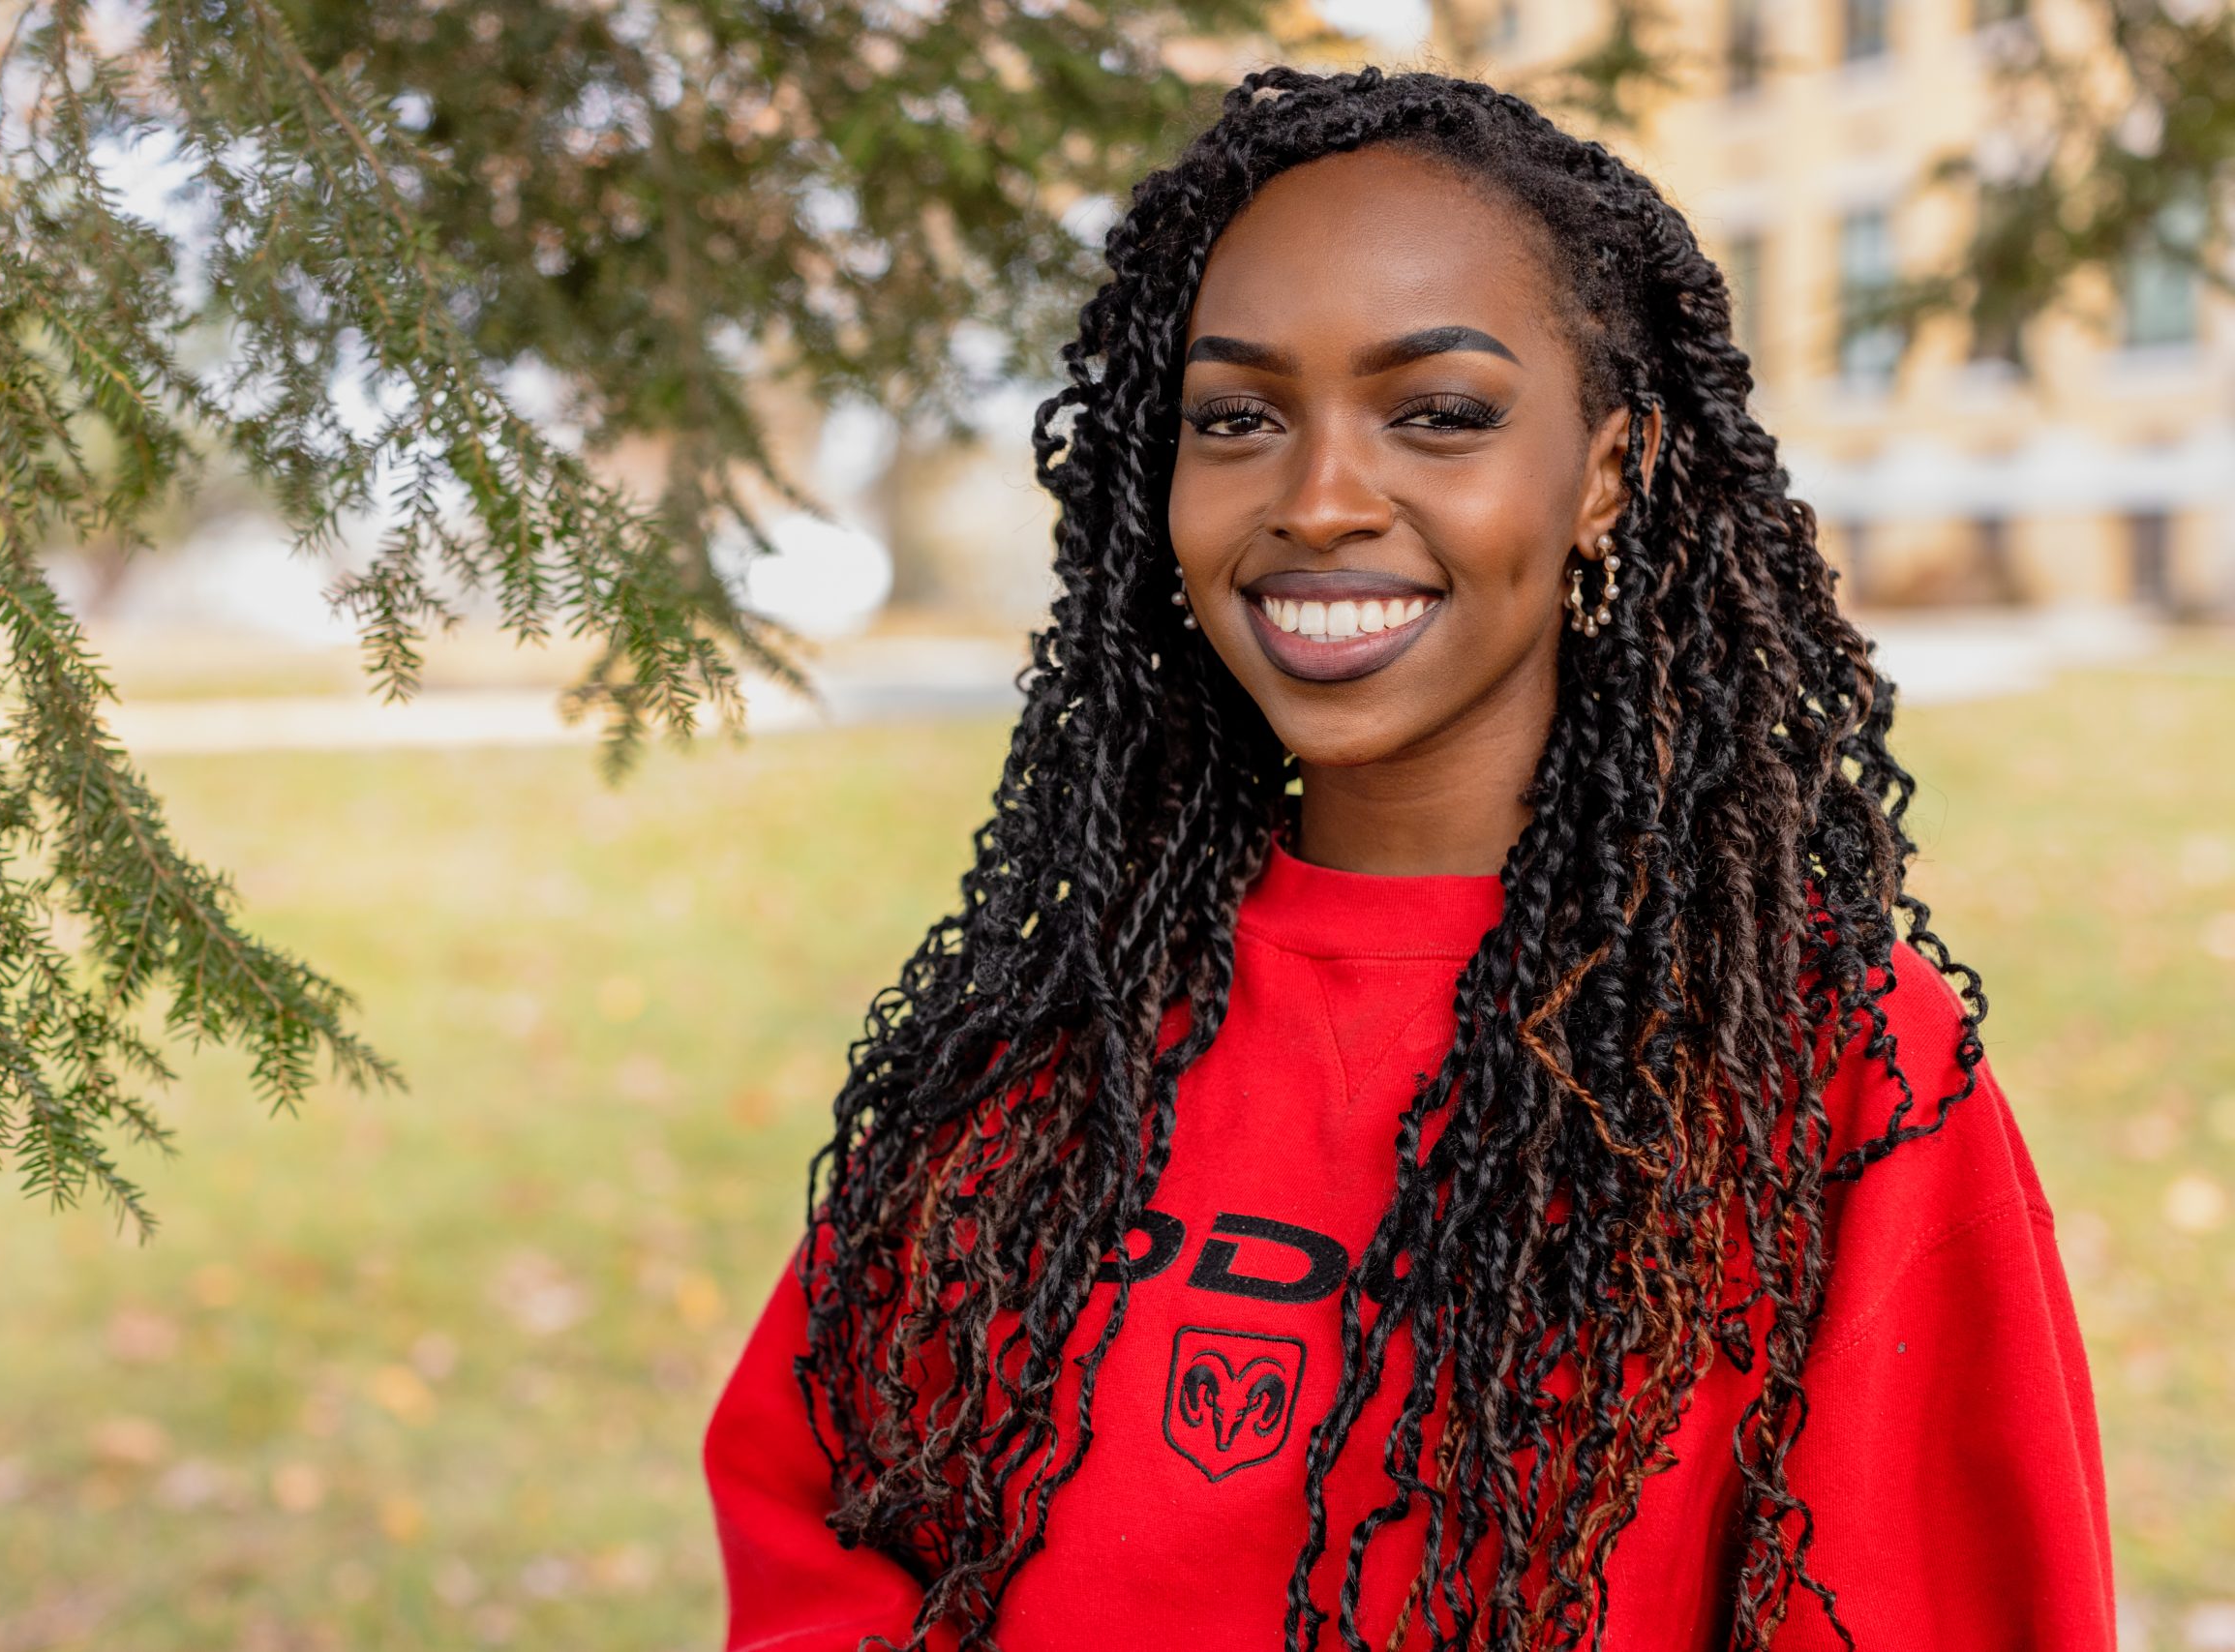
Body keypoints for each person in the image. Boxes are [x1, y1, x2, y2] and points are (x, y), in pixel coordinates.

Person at [701, 65, 2113, 1652]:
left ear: (1607, 470)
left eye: (1439, 414)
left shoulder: (1824, 1060)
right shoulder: (1046, 1033)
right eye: (1236, 417)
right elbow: (828, 1551)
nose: (1317, 500)